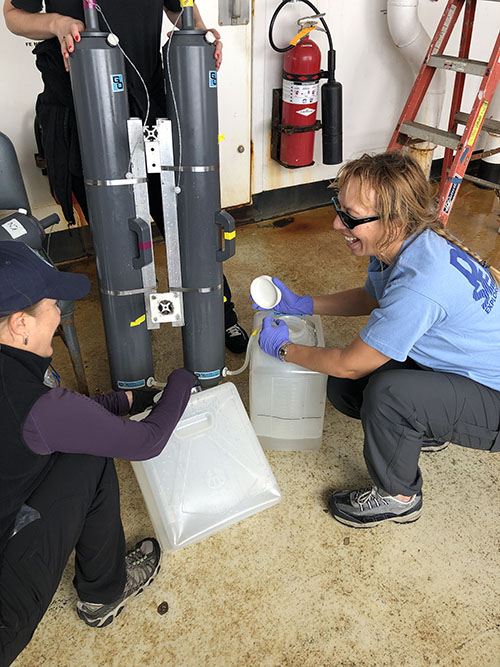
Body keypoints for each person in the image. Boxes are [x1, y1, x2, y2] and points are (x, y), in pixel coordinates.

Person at [256, 150, 500, 529]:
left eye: (351, 216)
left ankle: (398, 496)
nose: (337, 224)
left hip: (494, 400)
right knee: (346, 390)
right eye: (340, 207)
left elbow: (350, 363)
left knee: (387, 394)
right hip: (467, 371)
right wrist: (304, 304)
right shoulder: (400, 245)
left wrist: (285, 349)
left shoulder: (422, 284)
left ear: (395, 221)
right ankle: (424, 427)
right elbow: (374, 297)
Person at [3, 0, 249, 354]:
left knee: (188, 219)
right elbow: (13, 16)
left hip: (148, 100)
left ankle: (219, 314)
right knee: (116, 230)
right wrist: (57, 23)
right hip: (86, 105)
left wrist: (197, 30)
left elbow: (178, 7)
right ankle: (133, 337)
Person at [0, 240, 198, 664]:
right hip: (2, 616)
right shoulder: (33, 404)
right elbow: (146, 443)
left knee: (78, 447)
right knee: (90, 455)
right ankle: (103, 596)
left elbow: (59, 421)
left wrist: (125, 401)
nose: (59, 314)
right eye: (52, 304)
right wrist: (183, 380)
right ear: (20, 324)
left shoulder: (21, 389)